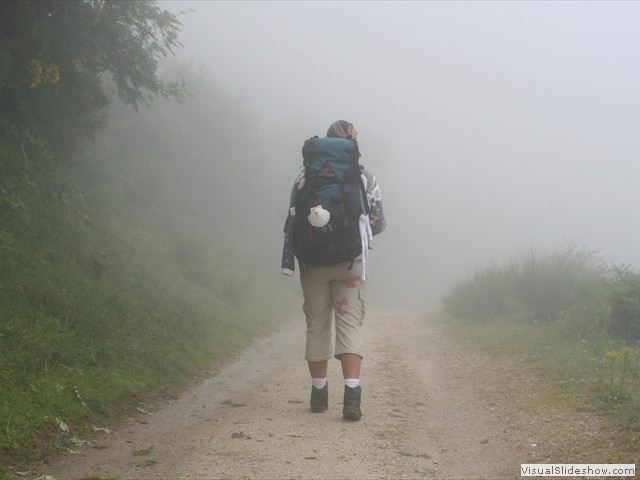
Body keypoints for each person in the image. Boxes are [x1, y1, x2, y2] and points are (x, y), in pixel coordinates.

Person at [281, 120, 386, 421]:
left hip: (313, 264)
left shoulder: (305, 175)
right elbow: (378, 223)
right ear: (353, 144)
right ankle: (352, 394)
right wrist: (351, 235)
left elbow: (295, 217)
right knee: (349, 324)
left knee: (317, 323)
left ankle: (318, 393)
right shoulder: (365, 178)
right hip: (350, 264)